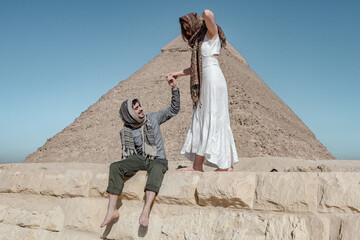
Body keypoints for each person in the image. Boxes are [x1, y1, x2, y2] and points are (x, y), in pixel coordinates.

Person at [100, 77, 180, 228]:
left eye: (140, 106)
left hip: (158, 158)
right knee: (115, 166)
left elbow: (173, 110)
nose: (141, 109)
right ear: (129, 114)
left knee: (156, 169)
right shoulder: (126, 131)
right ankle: (112, 210)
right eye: (136, 108)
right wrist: (125, 169)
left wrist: (174, 88)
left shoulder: (153, 119)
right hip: (140, 160)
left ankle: (146, 211)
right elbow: (127, 157)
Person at [166, 9, 238, 171]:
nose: (187, 31)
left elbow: (209, 14)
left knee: (213, 117)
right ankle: (198, 165)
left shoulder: (211, 34)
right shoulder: (198, 42)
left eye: (188, 26)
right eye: (184, 29)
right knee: (202, 118)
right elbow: (196, 67)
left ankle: (225, 165)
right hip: (204, 79)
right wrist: (178, 73)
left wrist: (204, 16)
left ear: (195, 22)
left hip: (213, 78)